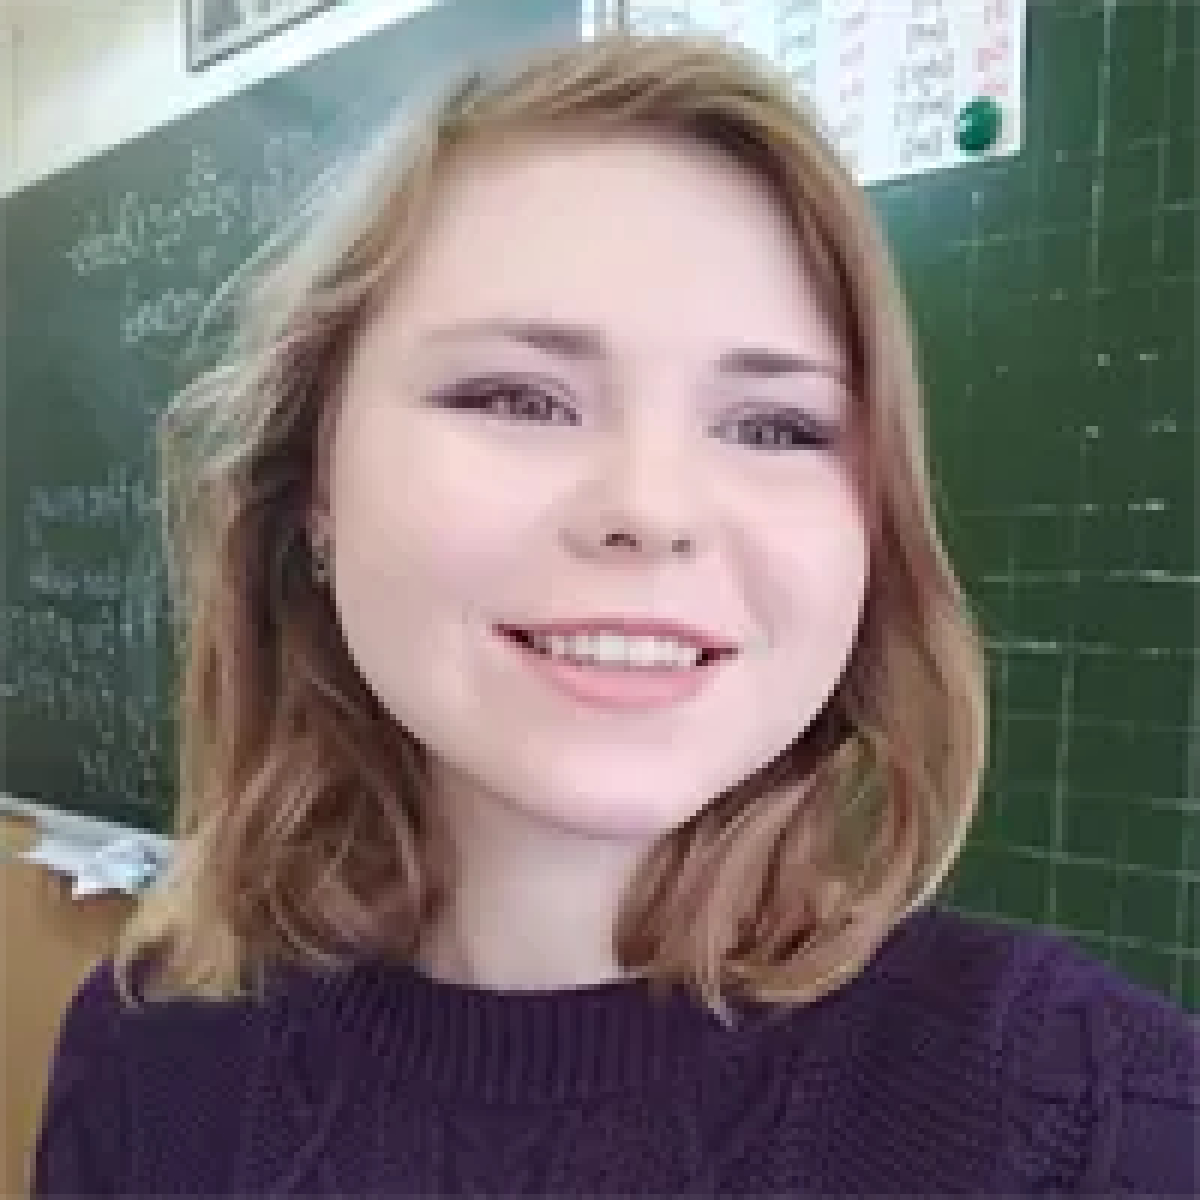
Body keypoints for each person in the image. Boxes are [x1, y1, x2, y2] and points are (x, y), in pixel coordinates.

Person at [32, 33, 1197, 1198]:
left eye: (775, 426)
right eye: (519, 399)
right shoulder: (151, 1058)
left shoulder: (1097, 1125)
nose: (652, 509)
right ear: (313, 489)